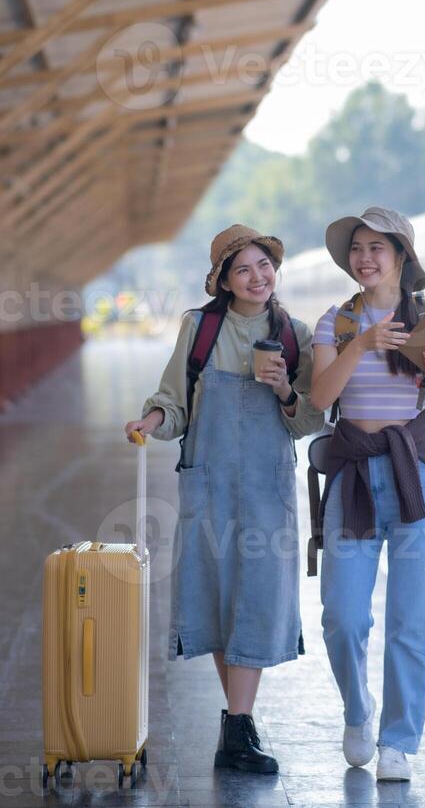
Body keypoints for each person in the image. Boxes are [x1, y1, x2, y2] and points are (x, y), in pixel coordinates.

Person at [124, 225, 324, 775]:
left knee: (257, 596)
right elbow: (175, 399)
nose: (258, 277)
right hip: (208, 481)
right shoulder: (201, 327)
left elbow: (309, 418)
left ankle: (237, 724)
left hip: (266, 488)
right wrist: (151, 420)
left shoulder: (294, 334)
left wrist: (283, 388)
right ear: (224, 281)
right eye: (244, 270)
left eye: (264, 265)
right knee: (216, 595)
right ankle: (237, 725)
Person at [310, 207, 425, 782]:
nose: (365, 258)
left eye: (378, 247)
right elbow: (320, 396)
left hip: (415, 476)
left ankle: (398, 740)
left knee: (411, 619)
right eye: (357, 248)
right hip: (352, 477)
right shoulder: (336, 323)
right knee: (342, 618)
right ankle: (358, 712)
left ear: (402, 256)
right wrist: (363, 345)